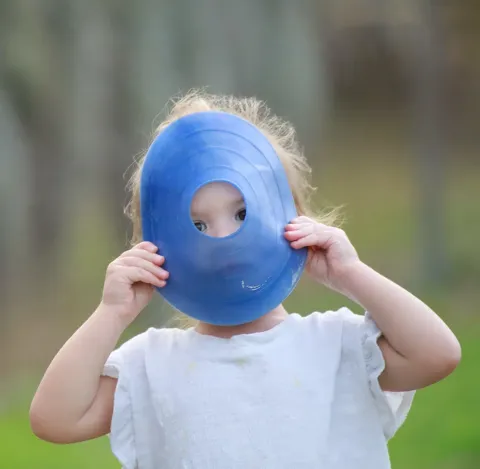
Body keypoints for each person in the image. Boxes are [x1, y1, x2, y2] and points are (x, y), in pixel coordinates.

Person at [29, 90, 461, 469]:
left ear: (288, 213)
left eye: (241, 213)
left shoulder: (337, 345)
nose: (223, 239)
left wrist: (352, 275)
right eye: (197, 225)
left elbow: (438, 354)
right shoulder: (152, 365)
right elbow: (55, 418)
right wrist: (111, 313)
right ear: (158, 245)